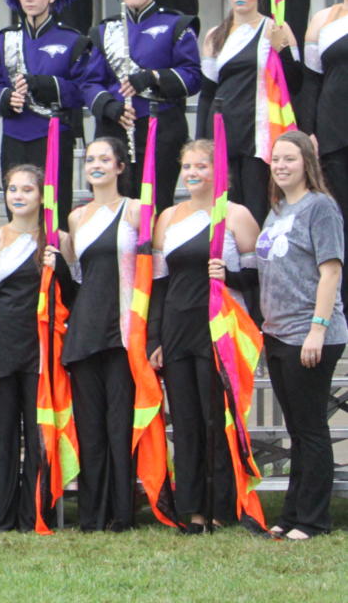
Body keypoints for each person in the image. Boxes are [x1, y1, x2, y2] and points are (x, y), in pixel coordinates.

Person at [153, 140, 260, 531]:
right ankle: (192, 507)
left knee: (216, 418)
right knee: (185, 421)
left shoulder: (237, 215)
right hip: (177, 328)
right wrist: (155, 339)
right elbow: (160, 285)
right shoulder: (167, 218)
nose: (193, 173)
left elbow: (256, 278)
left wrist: (228, 277)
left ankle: (223, 505)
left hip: (218, 329)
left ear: (218, 171)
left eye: (201, 166)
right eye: (187, 167)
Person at [256, 130, 346, 540]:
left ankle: (313, 520)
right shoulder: (277, 209)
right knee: (297, 428)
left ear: (307, 162)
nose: (281, 166)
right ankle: (292, 514)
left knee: (311, 429)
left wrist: (317, 329)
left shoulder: (320, 207)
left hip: (308, 335)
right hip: (277, 334)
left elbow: (331, 271)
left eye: (289, 158)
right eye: (276, 159)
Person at [0, 165, 72, 533]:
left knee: (38, 435)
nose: (18, 195)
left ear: (42, 195)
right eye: (13, 189)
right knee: (2, 437)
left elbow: (73, 297)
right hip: (1, 348)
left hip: (42, 349)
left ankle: (35, 515)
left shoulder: (58, 240)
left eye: (27, 189)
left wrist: (59, 266)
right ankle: (3, 517)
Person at [58, 137, 145, 533]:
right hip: (85, 330)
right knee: (90, 426)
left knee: (119, 424)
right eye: (90, 159)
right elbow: (76, 279)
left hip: (124, 330)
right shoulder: (76, 218)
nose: (96, 165)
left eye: (104, 159)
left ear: (120, 167)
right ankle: (91, 514)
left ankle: (122, 512)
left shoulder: (137, 210)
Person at [81, 0, 200, 207]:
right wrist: (109, 106)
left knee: (155, 202)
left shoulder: (176, 24)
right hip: (115, 127)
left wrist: (154, 77)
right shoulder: (104, 30)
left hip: (161, 126)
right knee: (112, 202)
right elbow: (90, 83)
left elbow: (192, 77)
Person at [0, 0, 91, 225]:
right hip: (14, 135)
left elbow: (81, 91)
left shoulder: (73, 40)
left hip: (54, 135)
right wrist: (7, 98)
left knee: (54, 210)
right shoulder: (4, 39)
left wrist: (44, 84)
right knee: (16, 210)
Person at [197, 0, 301, 224]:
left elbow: (296, 83)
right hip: (222, 128)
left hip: (259, 131)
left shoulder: (276, 28)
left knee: (258, 204)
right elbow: (207, 92)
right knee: (225, 206)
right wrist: (200, 141)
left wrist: (282, 50)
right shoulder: (214, 36)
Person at [300, 0, 348, 282]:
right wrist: (310, 131)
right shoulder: (322, 20)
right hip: (334, 132)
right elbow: (310, 82)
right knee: (340, 216)